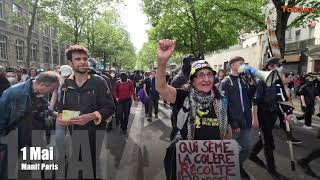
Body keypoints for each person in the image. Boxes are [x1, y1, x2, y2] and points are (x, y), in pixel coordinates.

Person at [155, 39, 231, 180]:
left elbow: (227, 130)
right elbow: (161, 88)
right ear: (192, 80)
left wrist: (225, 153)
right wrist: (161, 63)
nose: (206, 79)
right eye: (201, 75)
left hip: (212, 160)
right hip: (185, 160)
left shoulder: (220, 100)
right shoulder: (184, 96)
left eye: (210, 74)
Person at [56, 45, 115, 179]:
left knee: (90, 164)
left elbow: (110, 107)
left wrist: (91, 116)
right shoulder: (66, 84)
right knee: (78, 161)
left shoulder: (99, 82)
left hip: (95, 132)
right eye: (78, 59)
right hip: (74, 132)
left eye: (85, 58)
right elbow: (61, 109)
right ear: (70, 63)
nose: (82, 62)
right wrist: (60, 117)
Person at [250, 57, 293, 180]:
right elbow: (255, 101)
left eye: (280, 66)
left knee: (264, 138)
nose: (279, 68)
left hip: (274, 113)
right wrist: (255, 119)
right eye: (277, 65)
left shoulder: (279, 81)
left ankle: (252, 154)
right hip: (263, 114)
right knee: (269, 144)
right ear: (269, 67)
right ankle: (272, 170)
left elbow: (283, 98)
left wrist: (288, 112)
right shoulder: (262, 80)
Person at [220, 56, 254, 179]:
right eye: (241, 64)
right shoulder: (226, 82)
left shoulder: (244, 80)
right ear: (233, 65)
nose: (243, 66)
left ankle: (237, 166)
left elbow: (250, 98)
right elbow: (223, 104)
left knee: (247, 148)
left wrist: (252, 84)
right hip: (234, 124)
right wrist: (232, 122)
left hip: (246, 122)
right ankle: (229, 171)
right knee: (230, 151)